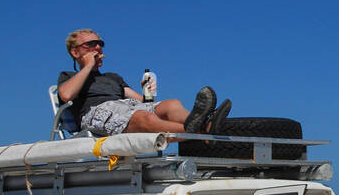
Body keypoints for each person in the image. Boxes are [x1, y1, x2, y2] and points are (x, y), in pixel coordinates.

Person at [57, 29, 230, 136]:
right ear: (75, 52)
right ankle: (202, 131)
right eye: (91, 44)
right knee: (143, 118)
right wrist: (88, 67)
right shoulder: (69, 76)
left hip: (126, 106)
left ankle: (204, 124)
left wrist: (148, 92)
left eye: (100, 44)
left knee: (172, 104)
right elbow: (66, 95)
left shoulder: (112, 77)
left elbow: (142, 102)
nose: (98, 48)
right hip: (96, 112)